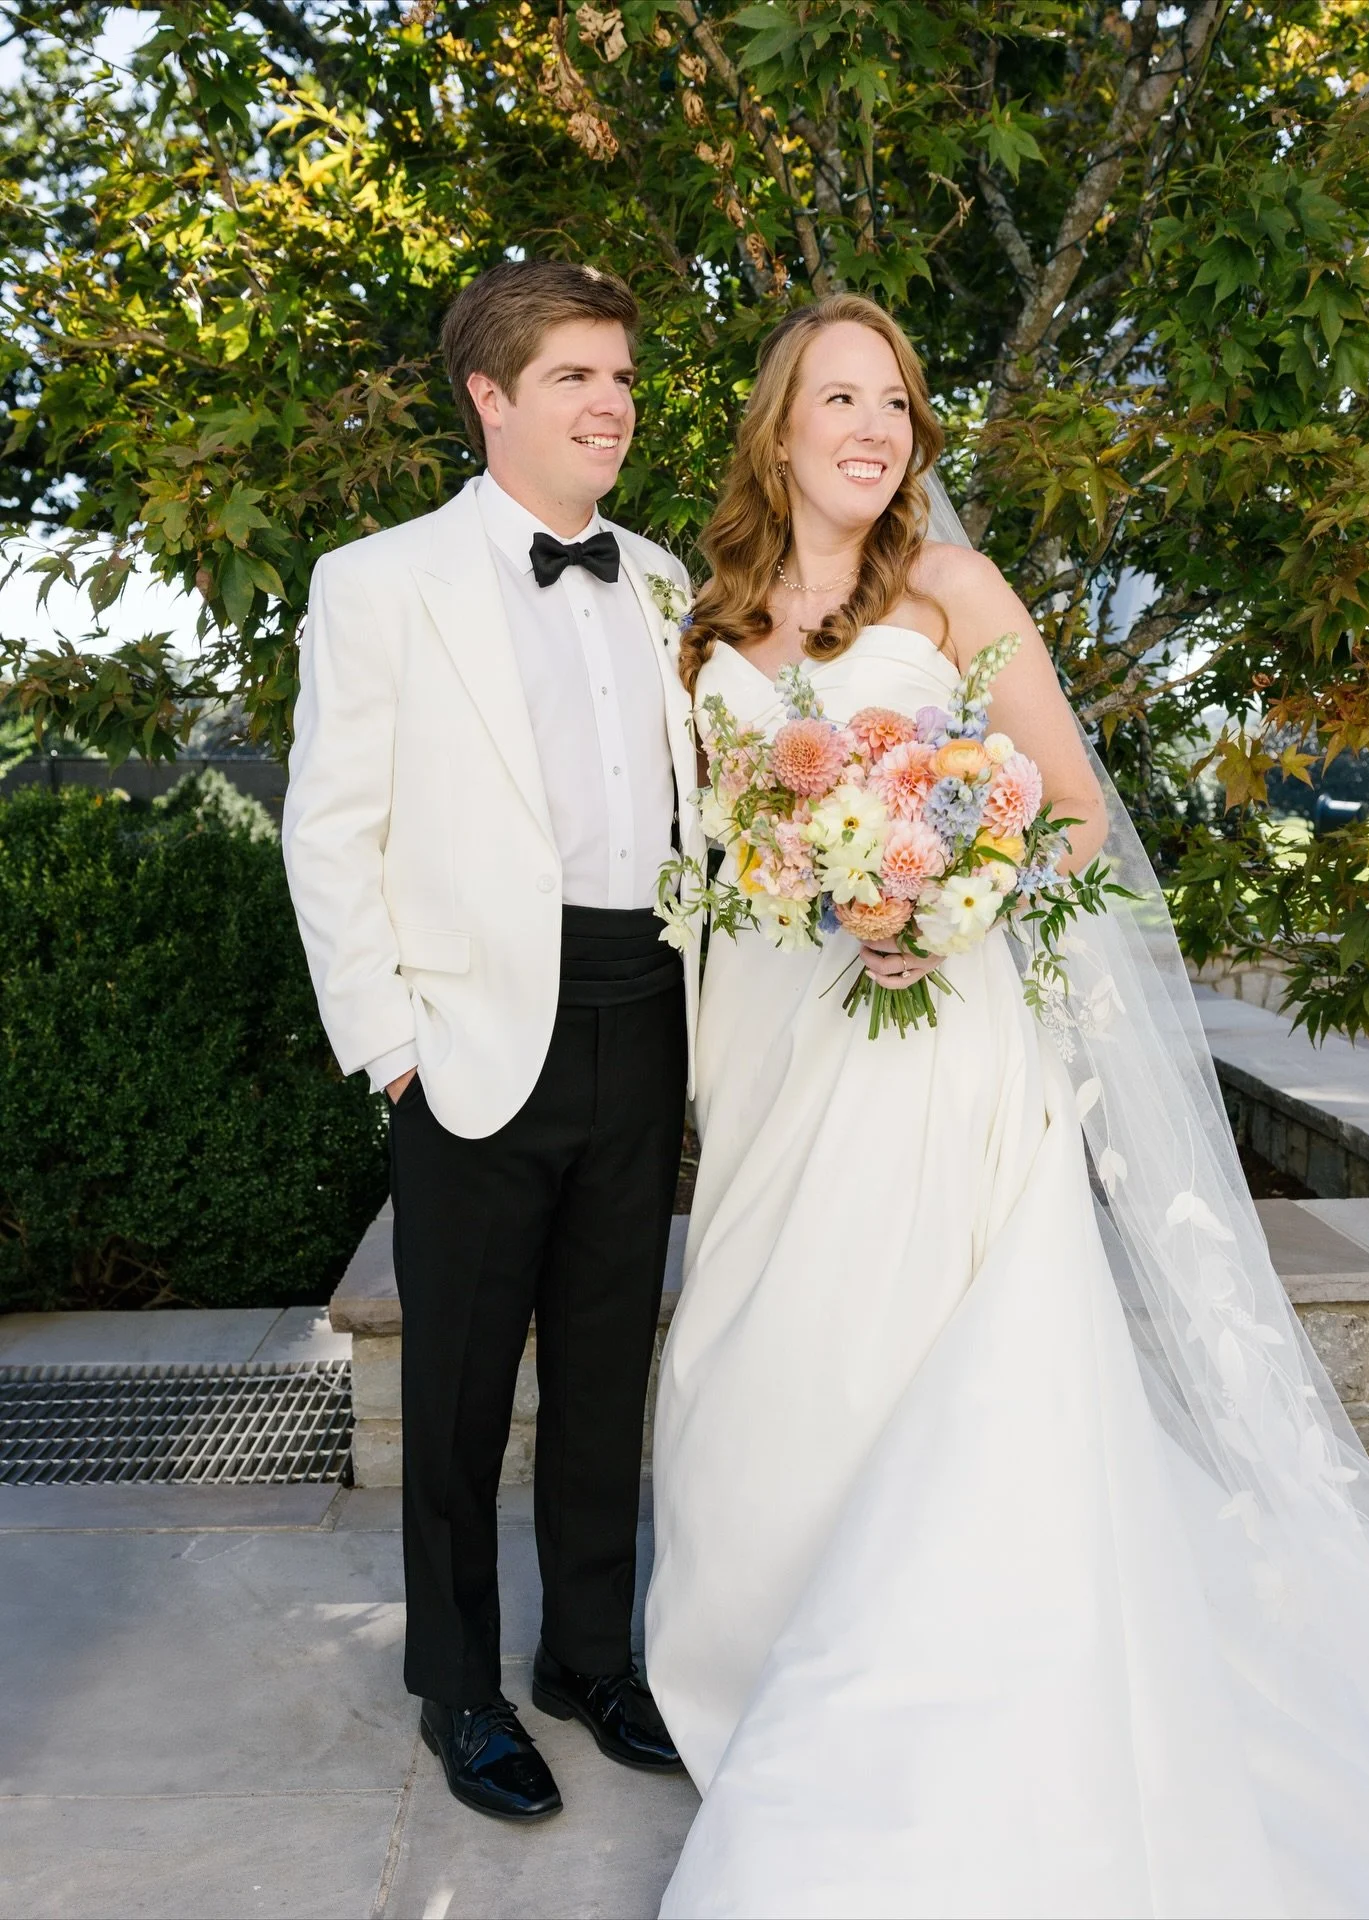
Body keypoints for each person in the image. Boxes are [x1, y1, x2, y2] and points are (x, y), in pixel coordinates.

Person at [645, 292, 1369, 1916]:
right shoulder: (704, 617)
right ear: (779, 425)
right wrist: (823, 894)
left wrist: (945, 899)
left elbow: (1072, 815)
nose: (872, 426)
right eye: (839, 397)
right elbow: (716, 853)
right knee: (759, 1364)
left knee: (931, 1361)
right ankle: (754, 1667)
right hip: (773, 1051)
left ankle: (929, 1725)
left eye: (897, 402)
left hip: (943, 1041)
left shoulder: (954, 592)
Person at [283, 259, 700, 1822]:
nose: (613, 403)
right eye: (579, 377)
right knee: (458, 1388)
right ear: (492, 396)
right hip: (465, 1037)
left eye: (623, 376)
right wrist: (387, 1040)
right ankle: (459, 1687)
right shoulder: (378, 580)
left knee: (608, 1367)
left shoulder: (662, 579)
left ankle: (589, 1653)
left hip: (644, 1007)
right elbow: (331, 829)